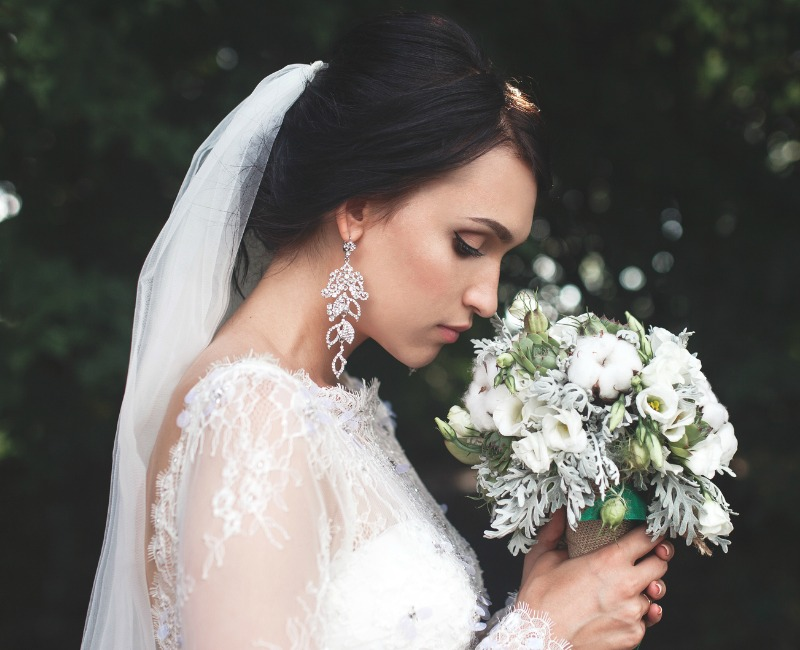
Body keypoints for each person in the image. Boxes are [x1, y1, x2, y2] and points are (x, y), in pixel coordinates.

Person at [82, 12, 672, 650]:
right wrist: (542, 635)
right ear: (358, 207)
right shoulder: (253, 412)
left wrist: (550, 609)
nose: (487, 299)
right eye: (469, 244)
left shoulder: (337, 409)